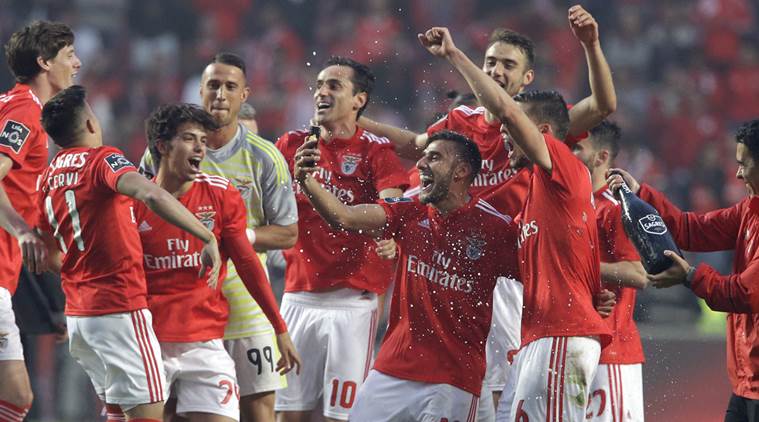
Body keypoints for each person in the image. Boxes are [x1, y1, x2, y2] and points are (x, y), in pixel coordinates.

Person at [361, 6, 617, 417]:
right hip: (461, 266)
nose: (497, 70)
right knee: (474, 385)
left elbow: (603, 104)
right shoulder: (461, 121)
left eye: (508, 64)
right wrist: (358, 123)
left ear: (527, 78)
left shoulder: (537, 131)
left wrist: (590, 45)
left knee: (502, 389)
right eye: (491, 62)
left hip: (511, 269)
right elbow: (415, 147)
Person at [294, 128, 517, 421]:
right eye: (423, 157)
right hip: (392, 369)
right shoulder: (410, 213)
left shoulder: (496, 229)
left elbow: (543, 276)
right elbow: (344, 217)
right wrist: (305, 179)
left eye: (434, 158)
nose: (421, 164)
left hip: (452, 379)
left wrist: (596, 294)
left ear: (461, 171)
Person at [36, 85, 222, 422]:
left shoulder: (47, 178)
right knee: (149, 413)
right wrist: (205, 234)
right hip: (119, 309)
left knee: (118, 413)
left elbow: (48, 255)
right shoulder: (102, 159)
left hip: (80, 317)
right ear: (91, 124)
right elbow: (150, 195)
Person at [140, 52, 298, 422]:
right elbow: (143, 204)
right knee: (173, 406)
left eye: (230, 87)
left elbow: (289, 233)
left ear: (245, 94)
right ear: (200, 91)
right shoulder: (163, 150)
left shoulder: (264, 156)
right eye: (213, 86)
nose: (220, 95)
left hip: (244, 289)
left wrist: (235, 236)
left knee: (258, 402)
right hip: (179, 289)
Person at [274, 56, 408, 422]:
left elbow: (393, 209)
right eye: (319, 85)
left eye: (334, 85)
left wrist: (392, 237)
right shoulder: (292, 145)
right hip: (297, 296)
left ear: (358, 100)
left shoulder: (375, 151)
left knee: (341, 418)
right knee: (288, 415)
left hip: (353, 302)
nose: (322, 92)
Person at [606, 119, 759, 422]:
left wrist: (689, 276)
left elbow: (743, 293)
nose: (739, 173)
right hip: (747, 382)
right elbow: (691, 230)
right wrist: (641, 196)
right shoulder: (749, 210)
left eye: (745, 164)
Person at [0, 21, 80, 422]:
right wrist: (19, 230)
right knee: (17, 397)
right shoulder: (25, 110)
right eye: (68, 56)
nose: (77, 64)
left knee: (17, 396)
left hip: (10, 271)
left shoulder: (16, 106)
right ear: (44, 62)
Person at [572, 121, 647, 421]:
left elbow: (638, 274)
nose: (568, 151)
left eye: (577, 147)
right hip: (576, 347)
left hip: (611, 353)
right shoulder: (571, 204)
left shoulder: (615, 207)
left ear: (601, 157)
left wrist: (579, 266)